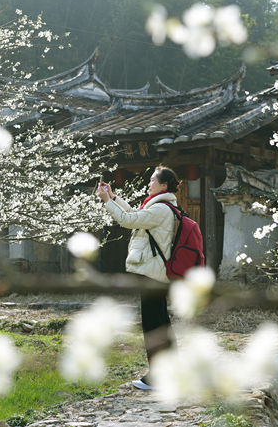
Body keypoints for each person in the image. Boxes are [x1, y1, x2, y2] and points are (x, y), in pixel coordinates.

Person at [96, 165, 179, 391]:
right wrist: (114, 197)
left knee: (153, 326)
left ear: (164, 185)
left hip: (151, 273)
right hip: (155, 272)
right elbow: (134, 214)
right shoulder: (161, 206)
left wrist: (106, 202)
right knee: (161, 322)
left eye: (153, 180)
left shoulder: (161, 209)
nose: (148, 183)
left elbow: (127, 220)